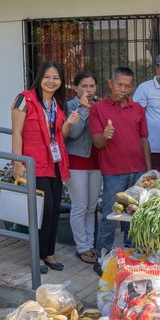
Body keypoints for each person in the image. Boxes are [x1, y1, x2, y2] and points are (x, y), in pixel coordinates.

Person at [11, 61, 71, 274]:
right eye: (47, 77)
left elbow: (59, 134)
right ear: (40, 78)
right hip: (34, 162)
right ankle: (38, 255)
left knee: (55, 207)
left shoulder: (58, 103)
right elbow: (17, 132)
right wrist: (17, 162)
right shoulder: (24, 99)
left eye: (56, 78)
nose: (51, 81)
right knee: (42, 208)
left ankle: (50, 252)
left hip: (55, 162)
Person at [90, 67, 151, 270]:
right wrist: (105, 135)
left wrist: (149, 171)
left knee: (134, 217)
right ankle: (102, 257)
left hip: (138, 171)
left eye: (127, 86)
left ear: (132, 86)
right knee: (110, 215)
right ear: (110, 83)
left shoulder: (137, 109)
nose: (123, 89)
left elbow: (144, 139)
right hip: (114, 172)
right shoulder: (98, 108)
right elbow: (97, 143)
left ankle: (131, 257)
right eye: (119, 85)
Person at [64, 72, 101, 265]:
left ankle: (90, 243)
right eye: (84, 86)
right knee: (79, 206)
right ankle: (82, 247)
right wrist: (85, 110)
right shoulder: (70, 106)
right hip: (76, 161)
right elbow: (75, 133)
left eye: (92, 86)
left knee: (91, 207)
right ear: (76, 88)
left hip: (96, 162)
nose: (88, 90)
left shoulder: (100, 105)